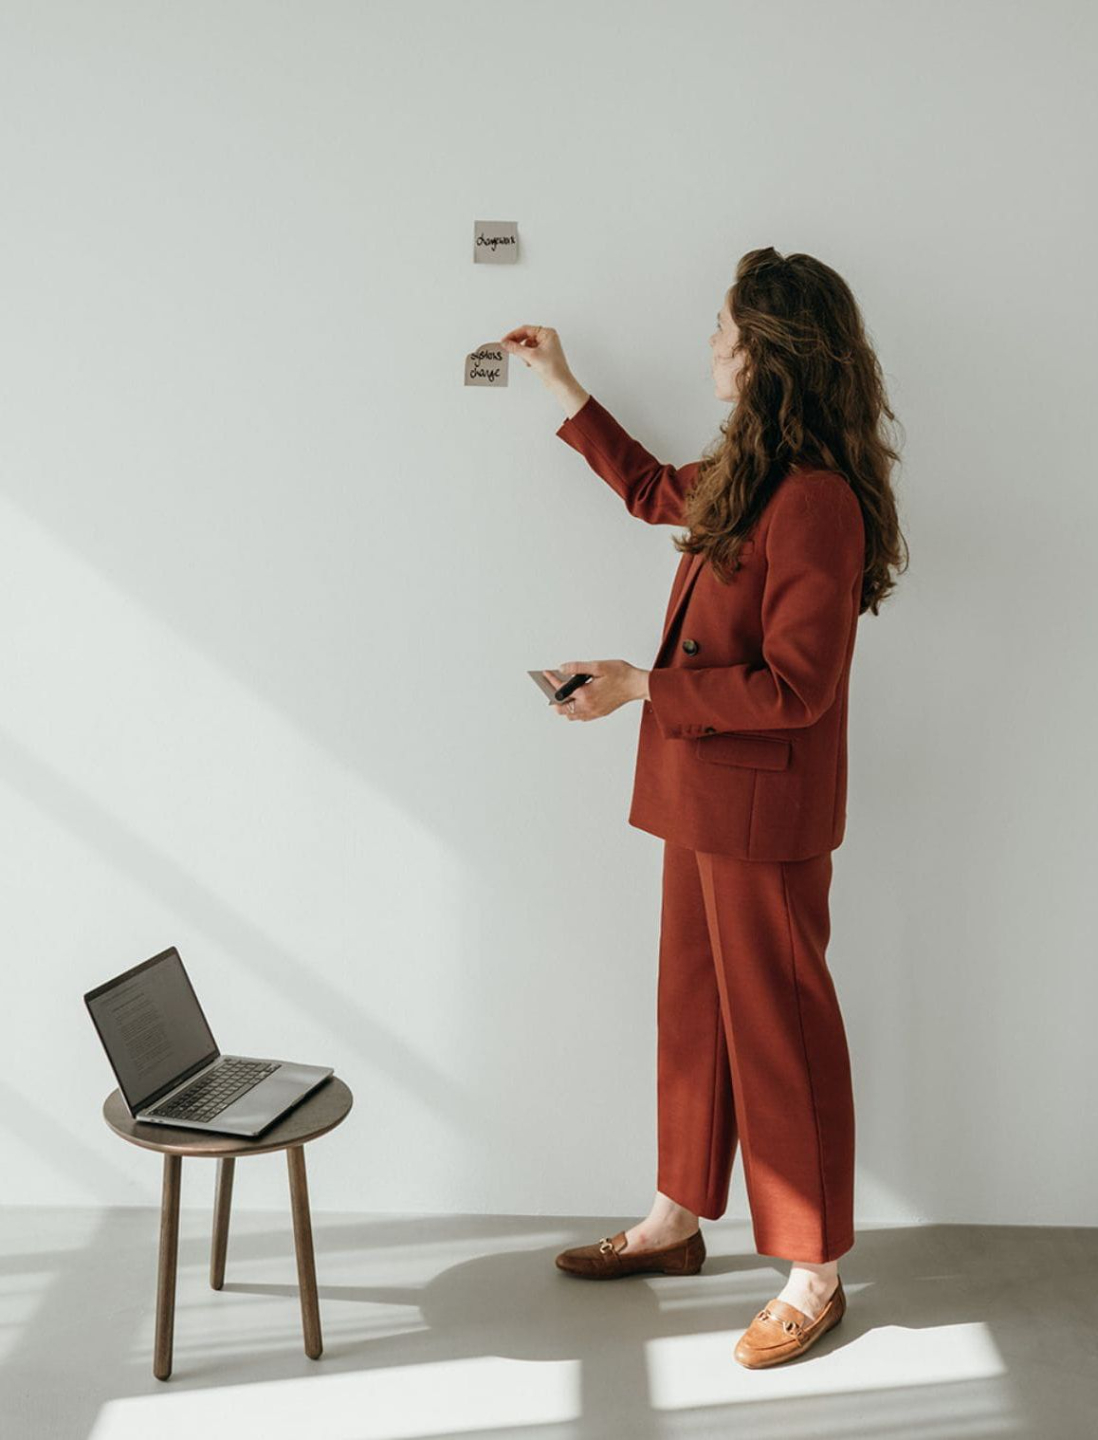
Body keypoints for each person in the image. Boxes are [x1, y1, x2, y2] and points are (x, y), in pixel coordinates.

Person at [499, 246, 907, 1368]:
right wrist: (562, 384)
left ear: (771, 352)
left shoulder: (817, 502)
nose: (712, 347)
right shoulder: (751, 470)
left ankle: (814, 1270)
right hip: (700, 800)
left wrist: (640, 685)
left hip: (767, 820)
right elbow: (647, 491)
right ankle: (678, 1218)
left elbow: (798, 686)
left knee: (782, 1037)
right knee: (694, 1021)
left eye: (726, 331)